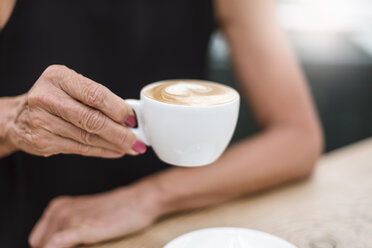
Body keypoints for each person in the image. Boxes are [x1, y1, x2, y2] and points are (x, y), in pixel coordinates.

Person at [0, 0, 323, 247]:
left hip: (163, 231)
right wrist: (15, 120)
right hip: (32, 230)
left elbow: (298, 137)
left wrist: (147, 199)